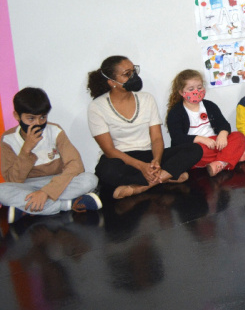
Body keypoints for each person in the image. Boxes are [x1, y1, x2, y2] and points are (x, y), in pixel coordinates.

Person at [87, 56, 203, 199]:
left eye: (134, 71)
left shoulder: (146, 98)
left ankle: (142, 187)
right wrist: (142, 166)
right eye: (127, 74)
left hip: (148, 155)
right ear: (111, 82)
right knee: (107, 171)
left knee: (195, 149)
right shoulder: (97, 107)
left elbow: (156, 138)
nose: (133, 76)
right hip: (122, 159)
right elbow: (109, 150)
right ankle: (167, 176)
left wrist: (157, 162)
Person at [1, 87, 102, 223]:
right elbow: (13, 180)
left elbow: (75, 165)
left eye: (42, 117)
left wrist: (46, 192)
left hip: (58, 181)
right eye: (31, 119)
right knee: (2, 190)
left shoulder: (55, 131)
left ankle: (27, 208)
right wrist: (26, 150)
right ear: (17, 116)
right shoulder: (8, 139)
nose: (38, 123)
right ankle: (68, 204)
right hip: (28, 186)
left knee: (90, 179)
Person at [166, 69, 245, 176]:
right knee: (193, 153)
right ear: (181, 92)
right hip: (196, 147)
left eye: (199, 87)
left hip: (216, 143)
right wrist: (201, 139)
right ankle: (231, 157)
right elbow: (177, 138)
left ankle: (220, 162)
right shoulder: (176, 112)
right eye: (191, 89)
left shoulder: (209, 105)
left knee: (238, 136)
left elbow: (224, 124)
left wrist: (222, 135)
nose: (196, 91)